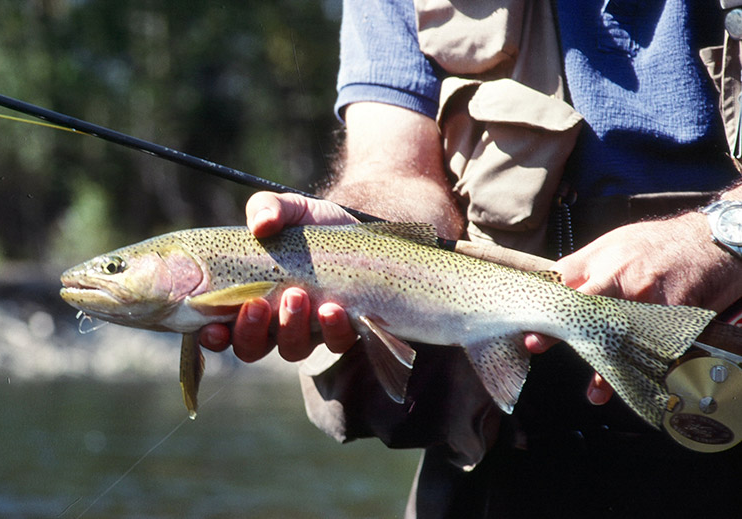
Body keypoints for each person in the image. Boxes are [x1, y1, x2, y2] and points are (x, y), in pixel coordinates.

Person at [202, 1, 742, 517]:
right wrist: (358, 226)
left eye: (112, 268)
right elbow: (395, 171)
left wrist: (723, 240)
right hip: (496, 453)